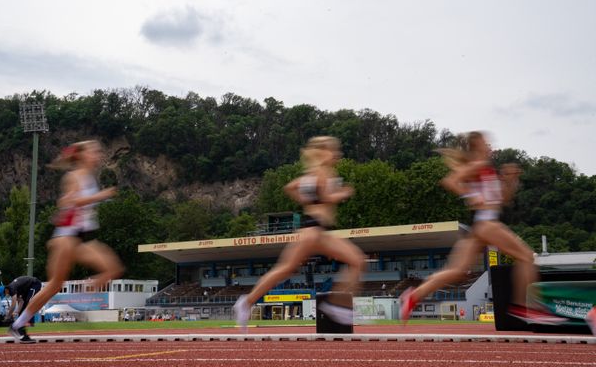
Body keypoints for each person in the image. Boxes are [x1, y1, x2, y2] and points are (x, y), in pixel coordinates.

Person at [398, 131, 565, 325]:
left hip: (480, 227)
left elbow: (502, 200)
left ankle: (413, 296)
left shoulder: (488, 171)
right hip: (487, 224)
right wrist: (471, 196)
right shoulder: (478, 165)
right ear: (477, 145)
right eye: (486, 143)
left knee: (457, 271)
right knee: (527, 257)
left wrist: (510, 181)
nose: (490, 146)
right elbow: (451, 181)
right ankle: (525, 307)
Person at [233, 136, 366, 329]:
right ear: (324, 153)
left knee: (285, 269)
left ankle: (246, 302)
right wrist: (343, 193)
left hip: (313, 230)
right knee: (357, 261)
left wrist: (306, 200)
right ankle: (337, 305)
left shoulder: (313, 172)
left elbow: (290, 187)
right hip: (315, 231)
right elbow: (326, 197)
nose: (338, 154)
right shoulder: (323, 172)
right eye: (334, 150)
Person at [8, 140, 124, 343]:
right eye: (93, 151)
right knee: (54, 285)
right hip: (66, 238)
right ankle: (17, 325)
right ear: (82, 156)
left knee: (113, 268)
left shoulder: (89, 178)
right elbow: (68, 201)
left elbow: (73, 206)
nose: (97, 155)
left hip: (80, 238)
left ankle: (86, 291)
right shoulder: (73, 177)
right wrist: (99, 196)